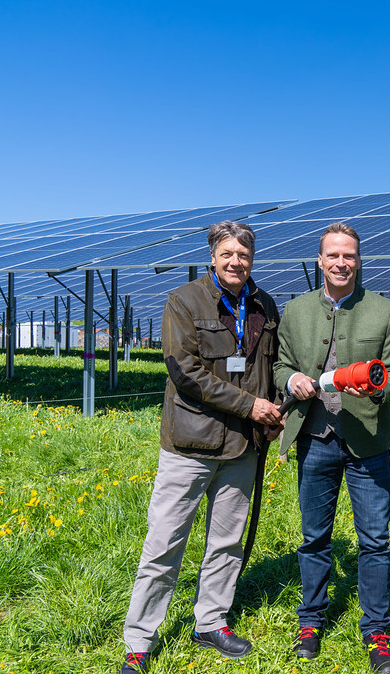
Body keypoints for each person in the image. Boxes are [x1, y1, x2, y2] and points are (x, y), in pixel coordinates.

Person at [121, 222, 283, 674]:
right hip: (190, 444)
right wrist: (251, 406)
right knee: (164, 544)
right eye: (227, 253)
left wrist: (272, 419)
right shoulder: (183, 301)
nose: (236, 262)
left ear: (253, 259)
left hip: (242, 448)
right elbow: (185, 372)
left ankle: (210, 621)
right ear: (213, 255)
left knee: (227, 541)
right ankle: (139, 641)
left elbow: (268, 371)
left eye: (244, 255)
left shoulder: (264, 305)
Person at [273, 222, 390, 673]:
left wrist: (380, 389)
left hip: (367, 441)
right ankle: (310, 622)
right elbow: (280, 367)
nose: (341, 263)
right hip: (314, 438)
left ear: (359, 259)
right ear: (320, 260)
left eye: (349, 255)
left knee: (374, 541)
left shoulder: (384, 311)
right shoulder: (294, 312)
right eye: (333, 255)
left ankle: (377, 631)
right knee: (314, 538)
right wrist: (291, 380)